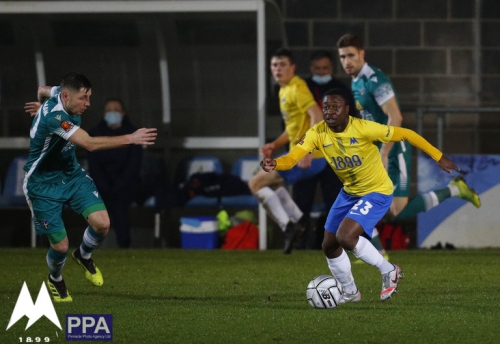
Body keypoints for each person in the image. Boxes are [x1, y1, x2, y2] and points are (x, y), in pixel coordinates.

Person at [260, 88, 461, 302]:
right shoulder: (317, 132)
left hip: (377, 192)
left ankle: (389, 271)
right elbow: (293, 158)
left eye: (335, 107)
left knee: (346, 237)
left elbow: (407, 134)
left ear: (347, 110)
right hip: (349, 193)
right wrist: (276, 164)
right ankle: (350, 292)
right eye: (326, 107)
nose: (329, 111)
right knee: (329, 245)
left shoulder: (364, 128)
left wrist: (439, 156)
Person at [336, 33, 480, 248]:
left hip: (395, 149)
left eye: (350, 55)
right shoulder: (356, 82)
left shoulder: (377, 81)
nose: (346, 62)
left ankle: (455, 189)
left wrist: (384, 152)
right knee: (364, 198)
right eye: (342, 57)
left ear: (362, 54)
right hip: (374, 150)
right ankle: (377, 254)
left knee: (398, 211)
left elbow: (396, 117)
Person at [23, 73, 157, 302]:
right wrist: (130, 138)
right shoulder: (57, 117)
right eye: (83, 98)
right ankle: (55, 279)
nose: (88, 104)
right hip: (42, 185)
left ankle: (83, 255)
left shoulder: (58, 94)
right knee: (61, 246)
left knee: (103, 224)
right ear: (67, 96)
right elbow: (89, 143)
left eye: (89, 97)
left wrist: (41, 109)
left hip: (71, 175)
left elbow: (42, 89)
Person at [247, 48, 324, 254]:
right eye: (274, 65)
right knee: (269, 186)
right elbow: (293, 130)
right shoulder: (284, 90)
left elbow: (318, 115)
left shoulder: (297, 87)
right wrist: (275, 144)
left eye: (282, 64)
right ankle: (300, 222)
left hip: (310, 156)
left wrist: (308, 148)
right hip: (302, 155)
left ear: (292, 68)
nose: (278, 69)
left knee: (255, 183)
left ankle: (290, 226)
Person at [293, 50, 355, 250]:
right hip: (308, 154)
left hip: (333, 154)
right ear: (311, 68)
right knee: (301, 201)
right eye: (317, 69)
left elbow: (352, 121)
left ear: (332, 68)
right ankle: (300, 243)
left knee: (334, 201)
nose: (321, 72)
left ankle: (334, 244)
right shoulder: (303, 88)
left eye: (325, 68)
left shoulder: (342, 89)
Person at [87, 98, 142, 248]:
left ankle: (123, 244)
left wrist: (117, 186)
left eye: (116, 110)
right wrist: (105, 186)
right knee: (95, 201)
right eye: (108, 110)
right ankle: (90, 245)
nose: (112, 113)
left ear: (123, 114)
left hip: (125, 186)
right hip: (101, 185)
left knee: (120, 202)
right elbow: (94, 167)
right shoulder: (94, 134)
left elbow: (133, 167)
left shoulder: (134, 135)